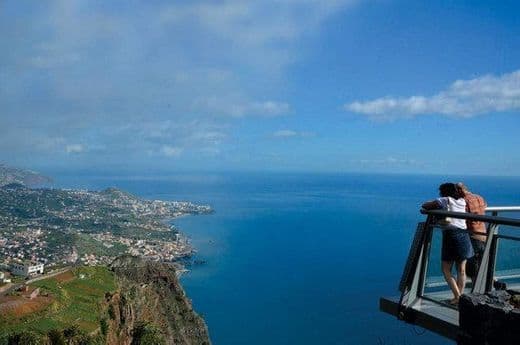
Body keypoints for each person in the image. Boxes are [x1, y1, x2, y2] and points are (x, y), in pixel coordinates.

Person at [422, 183, 474, 305]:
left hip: (451, 235)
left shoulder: (445, 200)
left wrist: (435, 202)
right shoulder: (462, 201)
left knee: (446, 269)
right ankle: (458, 298)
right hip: (464, 234)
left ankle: (458, 296)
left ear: (443, 192)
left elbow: (425, 205)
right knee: (461, 270)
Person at [456, 182, 487, 282]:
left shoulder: (464, 201)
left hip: (473, 236)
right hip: (484, 234)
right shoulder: (479, 197)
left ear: (459, 190)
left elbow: (460, 216)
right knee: (482, 264)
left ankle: (476, 292)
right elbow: (484, 207)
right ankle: (489, 285)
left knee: (472, 267)